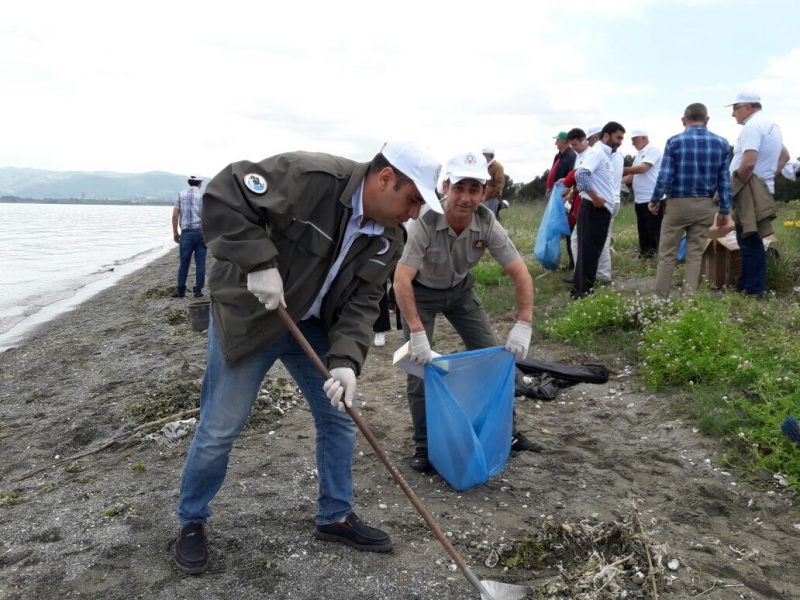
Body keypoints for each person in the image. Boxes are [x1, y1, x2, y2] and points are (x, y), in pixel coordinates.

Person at [173, 142, 443, 574]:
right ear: (385, 178)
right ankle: (191, 521)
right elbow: (226, 193)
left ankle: (335, 515)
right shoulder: (309, 176)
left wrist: (345, 362)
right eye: (412, 200)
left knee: (340, 416)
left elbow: (362, 304)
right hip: (251, 319)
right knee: (221, 427)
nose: (413, 214)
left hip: (312, 328)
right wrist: (258, 261)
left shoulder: (389, 239)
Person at [393, 150, 539, 474]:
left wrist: (524, 323)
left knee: (492, 358)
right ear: (446, 186)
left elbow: (520, 273)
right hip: (422, 295)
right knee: (420, 368)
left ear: (484, 193)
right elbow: (401, 279)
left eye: (474, 189)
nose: (465, 197)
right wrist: (417, 332)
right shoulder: (425, 222)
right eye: (459, 187)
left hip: (460, 293)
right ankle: (424, 445)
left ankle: (507, 434)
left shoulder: (486, 222)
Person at [648, 103, 733, 298]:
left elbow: (665, 176)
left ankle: (660, 299)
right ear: (707, 120)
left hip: (678, 204)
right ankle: (687, 301)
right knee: (695, 255)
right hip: (705, 205)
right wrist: (724, 210)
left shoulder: (674, 142)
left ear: (683, 121)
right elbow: (725, 182)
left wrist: (655, 199)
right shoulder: (722, 144)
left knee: (667, 254)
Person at [727, 91, 790, 297]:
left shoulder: (752, 126)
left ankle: (753, 289)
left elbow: (749, 162)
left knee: (749, 240)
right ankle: (746, 284)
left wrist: (737, 184)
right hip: (759, 187)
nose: (733, 114)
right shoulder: (771, 125)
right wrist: (771, 175)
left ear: (747, 107)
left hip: (749, 190)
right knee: (747, 237)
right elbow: (785, 155)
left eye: (735, 109)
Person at [572, 122, 625, 299]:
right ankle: (582, 292)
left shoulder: (605, 154)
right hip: (594, 208)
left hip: (601, 209)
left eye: (622, 138)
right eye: (618, 137)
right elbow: (581, 174)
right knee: (588, 251)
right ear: (606, 136)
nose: (620, 142)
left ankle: (584, 289)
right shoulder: (597, 152)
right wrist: (595, 197)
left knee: (593, 251)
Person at [623, 130, 663, 258]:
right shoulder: (639, 155)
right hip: (640, 198)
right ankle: (644, 254)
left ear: (644, 138)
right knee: (642, 229)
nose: (632, 143)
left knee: (653, 229)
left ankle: (654, 255)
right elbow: (631, 177)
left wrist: (618, 168)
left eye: (635, 139)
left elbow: (642, 169)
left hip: (652, 197)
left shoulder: (653, 150)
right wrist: (612, 182)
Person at [171, 175, 207, 298]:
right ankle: (198, 291)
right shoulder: (203, 196)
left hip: (186, 234)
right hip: (201, 233)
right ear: (199, 183)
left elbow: (175, 216)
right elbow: (208, 216)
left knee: (184, 263)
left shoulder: (181, 195)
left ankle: (181, 290)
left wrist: (175, 233)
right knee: (200, 263)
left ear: (189, 182)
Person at [546, 132, 576, 200]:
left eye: (557, 141)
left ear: (562, 142)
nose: (555, 143)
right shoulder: (558, 156)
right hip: (553, 189)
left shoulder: (571, 156)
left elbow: (571, 175)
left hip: (562, 191)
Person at [481, 147, 506, 218]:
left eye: (483, 155)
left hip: (492, 198)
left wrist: (494, 196)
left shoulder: (498, 167)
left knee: (489, 219)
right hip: (484, 197)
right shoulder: (484, 166)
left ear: (488, 155)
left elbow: (500, 183)